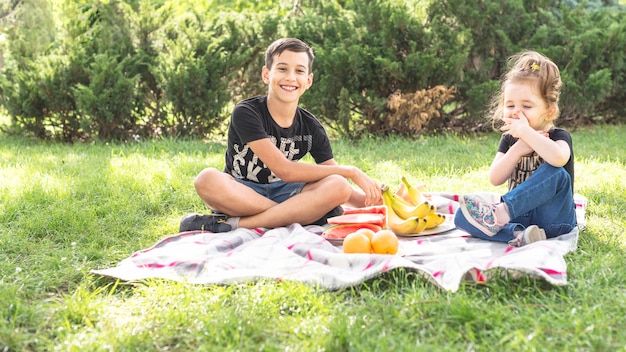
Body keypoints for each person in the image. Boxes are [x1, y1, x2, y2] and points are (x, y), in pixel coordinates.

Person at [180, 38, 382, 233]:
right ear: (266, 74)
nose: (291, 78)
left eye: (299, 71)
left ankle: (236, 224)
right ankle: (296, 214)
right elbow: (285, 170)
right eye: (282, 68)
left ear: (308, 80)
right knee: (206, 179)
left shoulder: (311, 127)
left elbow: (336, 182)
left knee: (338, 186)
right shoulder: (246, 112)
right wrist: (352, 171)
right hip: (243, 192)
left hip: (288, 193)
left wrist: (377, 200)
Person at [454, 50, 577, 247]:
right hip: (520, 217)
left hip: (554, 218)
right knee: (462, 215)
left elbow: (559, 159)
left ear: (549, 111)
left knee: (557, 173)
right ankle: (520, 235)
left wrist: (528, 134)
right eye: (510, 105)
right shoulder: (509, 140)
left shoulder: (558, 137)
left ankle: (501, 214)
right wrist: (518, 149)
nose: (516, 111)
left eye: (527, 106)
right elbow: (495, 178)